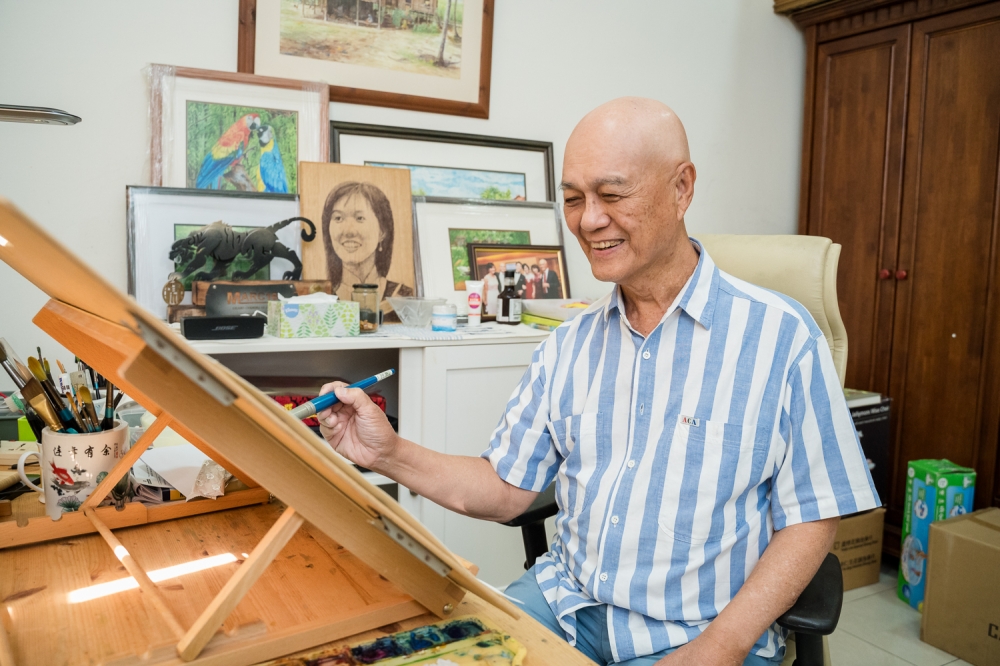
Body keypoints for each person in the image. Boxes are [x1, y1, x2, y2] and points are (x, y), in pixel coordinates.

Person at [317, 98, 878, 666]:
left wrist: (723, 645)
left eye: (612, 195)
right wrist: (384, 451)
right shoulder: (568, 343)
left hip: (699, 633)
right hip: (563, 605)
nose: (588, 220)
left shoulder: (780, 335)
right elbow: (504, 488)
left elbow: (813, 514)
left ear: (682, 189)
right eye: (574, 198)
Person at [321, 181, 413, 313]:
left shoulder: (405, 297)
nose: (348, 231)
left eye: (359, 218)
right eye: (338, 218)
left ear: (382, 231)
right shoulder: (319, 300)